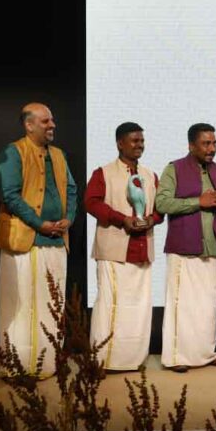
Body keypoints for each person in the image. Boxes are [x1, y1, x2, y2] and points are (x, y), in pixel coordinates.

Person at [0, 103, 77, 379]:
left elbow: (72, 190)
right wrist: (39, 222)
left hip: (56, 242)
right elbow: (11, 195)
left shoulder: (59, 155)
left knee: (51, 304)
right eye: (45, 121)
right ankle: (19, 365)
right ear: (29, 125)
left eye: (52, 120)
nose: (52, 125)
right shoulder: (14, 151)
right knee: (22, 305)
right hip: (25, 241)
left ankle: (48, 363)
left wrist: (69, 218)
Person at [155, 123, 216, 373]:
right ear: (191, 145)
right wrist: (198, 202)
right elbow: (162, 202)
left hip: (210, 246)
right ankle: (175, 356)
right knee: (182, 303)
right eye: (206, 144)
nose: (212, 148)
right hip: (183, 246)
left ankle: (207, 353)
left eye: (214, 143)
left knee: (208, 303)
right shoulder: (174, 168)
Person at [84, 122, 163, 371]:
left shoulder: (150, 175)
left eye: (142, 141)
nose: (140, 145)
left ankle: (133, 359)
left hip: (142, 248)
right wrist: (122, 219)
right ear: (120, 143)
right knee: (110, 306)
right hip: (114, 249)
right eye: (134, 141)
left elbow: (160, 208)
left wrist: (151, 219)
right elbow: (91, 203)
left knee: (138, 307)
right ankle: (104, 359)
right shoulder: (103, 173)